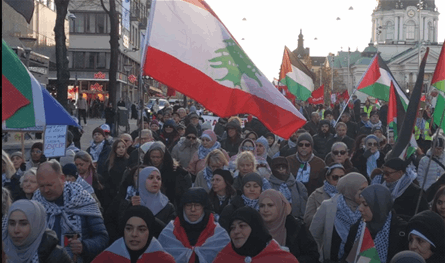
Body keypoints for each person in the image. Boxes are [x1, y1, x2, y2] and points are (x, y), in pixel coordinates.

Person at [32, 160, 108, 262]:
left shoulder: (82, 198)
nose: (46, 190)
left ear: (62, 179)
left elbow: (102, 237)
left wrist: (84, 246)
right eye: (41, 186)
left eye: (50, 185)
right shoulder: (35, 204)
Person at [158, 187, 230, 262]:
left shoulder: (219, 234)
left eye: (197, 205)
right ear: (183, 207)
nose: (193, 209)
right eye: (188, 205)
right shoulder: (169, 232)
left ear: (204, 207)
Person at [310, 172, 368, 262]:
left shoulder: (367, 208)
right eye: (361, 189)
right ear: (350, 190)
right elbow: (314, 235)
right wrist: (320, 257)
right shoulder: (328, 206)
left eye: (367, 188)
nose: (365, 193)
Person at [342, 185, 408, 262]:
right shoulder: (358, 227)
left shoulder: (401, 231)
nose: (360, 208)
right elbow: (347, 256)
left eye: (365, 204)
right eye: (360, 204)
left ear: (379, 206)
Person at [213, 206, 299, 263]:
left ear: (255, 229)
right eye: (232, 228)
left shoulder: (282, 259)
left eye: (242, 225)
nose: (236, 231)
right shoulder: (224, 258)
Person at [92, 206, 175, 262]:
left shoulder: (164, 260)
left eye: (141, 230)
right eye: (129, 228)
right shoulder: (106, 258)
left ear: (150, 232)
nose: (134, 234)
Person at [3, 200, 73, 263]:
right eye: (12, 223)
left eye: (23, 224)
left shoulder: (56, 256)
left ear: (36, 226)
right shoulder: (4, 251)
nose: (16, 230)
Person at [259, 189, 319, 262]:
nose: (265, 210)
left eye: (270, 205)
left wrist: (290, 260)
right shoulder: (255, 229)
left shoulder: (297, 228)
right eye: (262, 206)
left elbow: (313, 255)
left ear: (280, 206)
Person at [143, 142, 192, 206]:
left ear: (163, 157)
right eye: (153, 157)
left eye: (158, 157)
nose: (155, 160)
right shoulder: (143, 169)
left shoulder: (175, 171)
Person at [102, 139, 130, 210]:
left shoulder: (128, 161)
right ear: (115, 149)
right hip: (110, 193)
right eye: (118, 147)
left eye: (123, 147)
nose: (121, 149)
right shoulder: (109, 162)